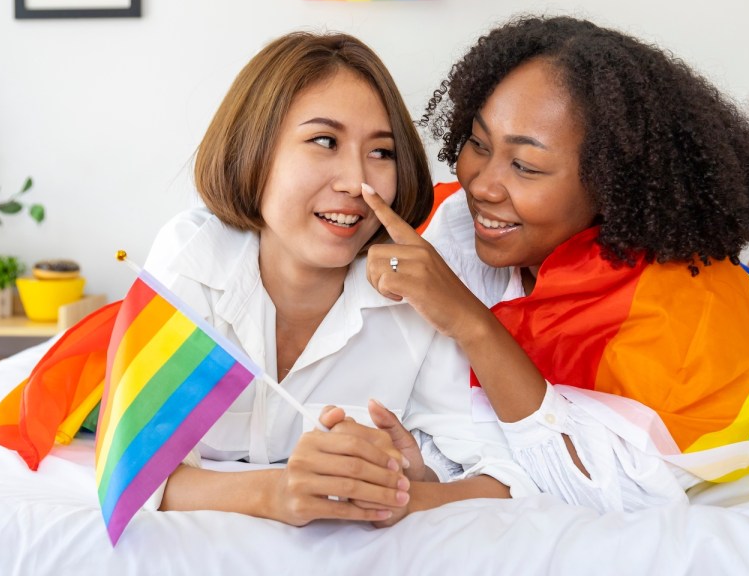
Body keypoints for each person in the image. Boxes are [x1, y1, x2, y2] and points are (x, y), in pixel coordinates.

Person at [358, 15, 749, 511]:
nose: (481, 184)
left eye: (526, 166)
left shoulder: (679, 324)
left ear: (610, 183)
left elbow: (601, 483)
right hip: (655, 274)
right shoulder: (463, 214)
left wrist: (470, 322)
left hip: (739, 341)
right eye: (479, 144)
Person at [147, 31, 535, 525]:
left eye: (381, 152)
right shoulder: (192, 257)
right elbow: (137, 474)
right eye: (324, 141)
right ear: (255, 150)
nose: (358, 181)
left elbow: (506, 480)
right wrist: (276, 493)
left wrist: (401, 493)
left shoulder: (411, 298)